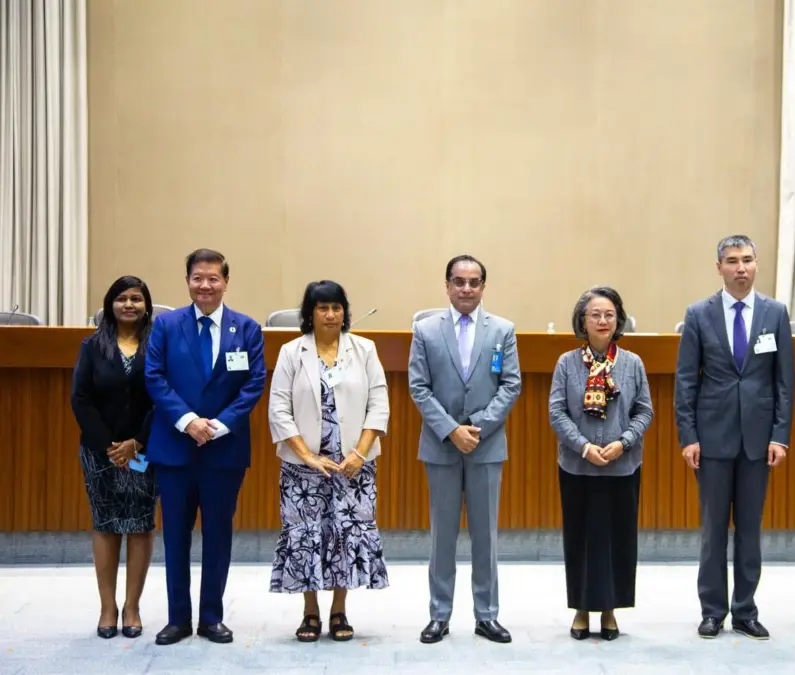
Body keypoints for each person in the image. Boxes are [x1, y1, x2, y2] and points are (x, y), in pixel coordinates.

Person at [674, 234, 795, 641]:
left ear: (756, 264)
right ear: (719, 267)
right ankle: (712, 610)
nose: (740, 267)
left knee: (750, 528)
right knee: (712, 529)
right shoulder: (698, 314)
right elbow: (686, 381)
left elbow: (783, 382)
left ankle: (745, 610)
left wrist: (780, 436)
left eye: (747, 260)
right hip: (711, 439)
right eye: (732, 261)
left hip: (759, 441)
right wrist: (688, 436)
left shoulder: (775, 312)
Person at [144, 248, 266, 646]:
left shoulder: (245, 329)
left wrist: (219, 424)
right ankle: (178, 618)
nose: (205, 286)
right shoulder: (165, 325)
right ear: (187, 281)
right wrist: (188, 421)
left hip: (223, 452)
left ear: (225, 282)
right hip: (176, 450)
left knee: (218, 535)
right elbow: (155, 377)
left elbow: (253, 384)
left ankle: (211, 616)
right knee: (175, 537)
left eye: (213, 278)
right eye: (198, 278)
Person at [407, 254, 522, 644]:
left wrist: (479, 428)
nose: (467, 289)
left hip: (486, 447)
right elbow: (418, 387)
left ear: (483, 287)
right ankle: (439, 614)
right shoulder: (425, 330)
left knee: (485, 535)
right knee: (442, 535)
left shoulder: (502, 330)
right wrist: (452, 430)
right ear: (447, 285)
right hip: (441, 447)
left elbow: (511, 385)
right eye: (459, 282)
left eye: (474, 282)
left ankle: (486, 615)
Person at [267, 280, 390, 642]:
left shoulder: (364, 349)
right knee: (306, 535)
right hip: (303, 468)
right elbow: (278, 409)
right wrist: (306, 456)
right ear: (310, 313)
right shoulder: (292, 352)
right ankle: (310, 612)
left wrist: (359, 453)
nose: (331, 314)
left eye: (337, 307)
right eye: (322, 307)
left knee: (346, 535)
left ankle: (339, 610)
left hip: (354, 466)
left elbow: (379, 404)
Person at [548, 286, 653, 641]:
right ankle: (581, 608)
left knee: (616, 540)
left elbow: (644, 410)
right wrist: (583, 447)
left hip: (622, 467)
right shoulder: (566, 363)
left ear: (618, 319)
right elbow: (557, 412)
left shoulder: (632, 363)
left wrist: (624, 443)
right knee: (581, 538)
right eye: (595, 314)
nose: (603, 320)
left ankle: (609, 610)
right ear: (583, 320)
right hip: (578, 467)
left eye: (609, 314)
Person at [70, 275, 158, 639]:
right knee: (106, 524)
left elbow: (162, 397)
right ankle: (107, 607)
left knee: (140, 525)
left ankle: (132, 607)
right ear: (110, 305)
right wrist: (110, 445)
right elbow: (81, 398)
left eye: (136, 298)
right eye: (121, 298)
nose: (129, 305)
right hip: (100, 451)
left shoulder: (158, 346)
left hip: (146, 450)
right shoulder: (91, 347)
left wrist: (136, 442)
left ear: (146, 306)